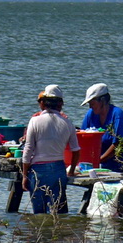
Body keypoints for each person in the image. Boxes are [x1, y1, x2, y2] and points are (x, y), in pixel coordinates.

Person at [21, 85, 80, 214]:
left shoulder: (35, 121)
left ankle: (40, 234)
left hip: (38, 171)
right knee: (57, 212)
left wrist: (25, 175)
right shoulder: (67, 123)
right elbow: (76, 150)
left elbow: (28, 150)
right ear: (60, 104)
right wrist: (71, 171)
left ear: (44, 102)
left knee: (39, 214)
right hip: (58, 169)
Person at [80, 83, 123, 173]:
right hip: (106, 165)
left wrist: (97, 161)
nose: (90, 106)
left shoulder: (118, 115)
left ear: (103, 101)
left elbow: (118, 144)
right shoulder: (90, 115)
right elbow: (83, 137)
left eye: (92, 103)